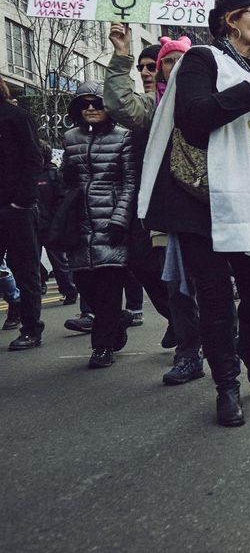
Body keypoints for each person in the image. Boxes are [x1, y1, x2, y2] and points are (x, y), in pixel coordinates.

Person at [139, 0, 250, 426]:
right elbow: (196, 117)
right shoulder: (201, 59)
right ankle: (227, 386)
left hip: (249, 198)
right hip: (202, 202)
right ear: (231, 20)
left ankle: (249, 351)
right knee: (215, 300)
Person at [104, 25, 203, 385]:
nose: (172, 68)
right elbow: (120, 105)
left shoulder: (207, 98)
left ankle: (227, 338)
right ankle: (188, 352)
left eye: (181, 61)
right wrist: (120, 56)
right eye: (167, 63)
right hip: (165, 209)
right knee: (174, 282)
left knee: (209, 281)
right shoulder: (152, 105)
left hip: (205, 205)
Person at [61, 82, 138, 368]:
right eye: (85, 103)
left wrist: (120, 220)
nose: (91, 108)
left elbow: (130, 182)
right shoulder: (70, 137)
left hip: (110, 222)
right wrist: (65, 176)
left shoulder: (123, 137)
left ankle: (102, 347)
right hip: (79, 225)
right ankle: (118, 320)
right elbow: (64, 181)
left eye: (97, 102)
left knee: (108, 288)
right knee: (86, 285)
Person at [0, 74, 45, 351]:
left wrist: (22, 201)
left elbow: (33, 157)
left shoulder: (15, 117)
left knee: (25, 270)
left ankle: (31, 329)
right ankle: (17, 307)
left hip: (15, 208)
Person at [35, 140, 78, 305]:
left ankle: (69, 290)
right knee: (31, 262)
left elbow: (60, 199)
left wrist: (57, 221)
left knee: (59, 262)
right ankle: (39, 286)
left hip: (50, 225)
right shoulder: (30, 173)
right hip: (34, 225)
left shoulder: (53, 174)